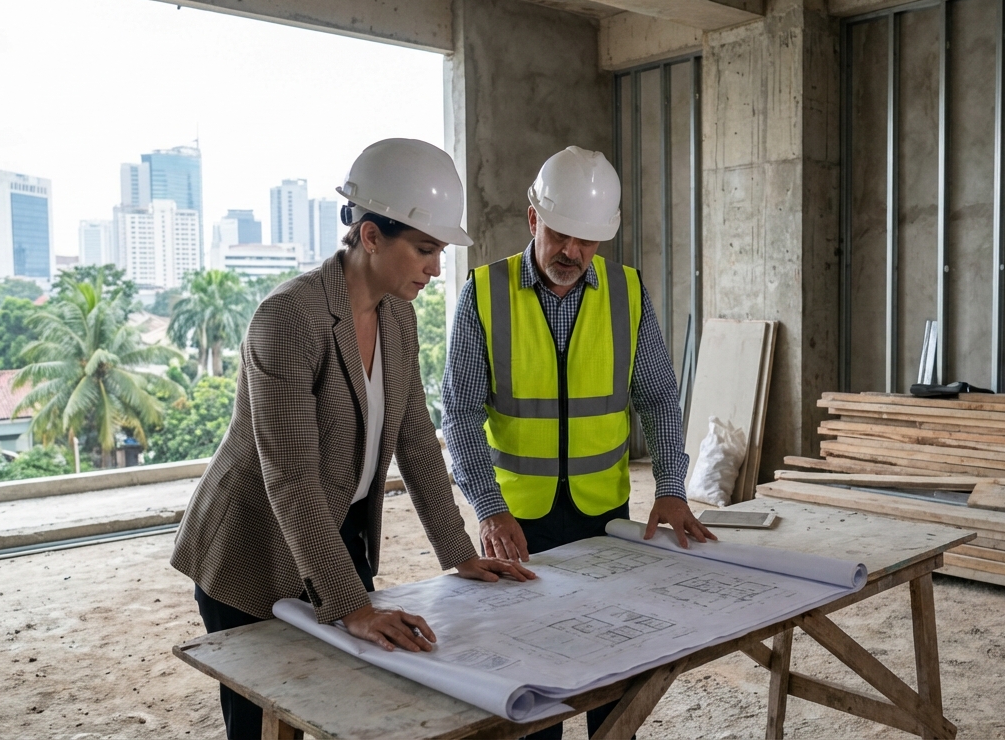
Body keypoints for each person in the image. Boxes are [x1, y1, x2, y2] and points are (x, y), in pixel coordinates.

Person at [171, 139, 535, 740]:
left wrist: (459, 553)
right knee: (264, 717)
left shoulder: (398, 313)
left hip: (335, 530)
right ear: (370, 236)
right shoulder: (287, 318)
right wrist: (353, 605)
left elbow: (418, 440)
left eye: (438, 251)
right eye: (423, 250)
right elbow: (288, 477)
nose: (436, 268)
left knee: (347, 703)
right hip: (251, 544)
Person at [442, 146, 715, 739]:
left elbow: (659, 398)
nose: (573, 253)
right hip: (519, 523)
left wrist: (670, 489)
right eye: (562, 235)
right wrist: (487, 507)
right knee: (534, 673)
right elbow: (459, 413)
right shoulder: (483, 294)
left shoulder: (627, 291)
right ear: (534, 219)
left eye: (588, 241)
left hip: (604, 514)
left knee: (611, 666)